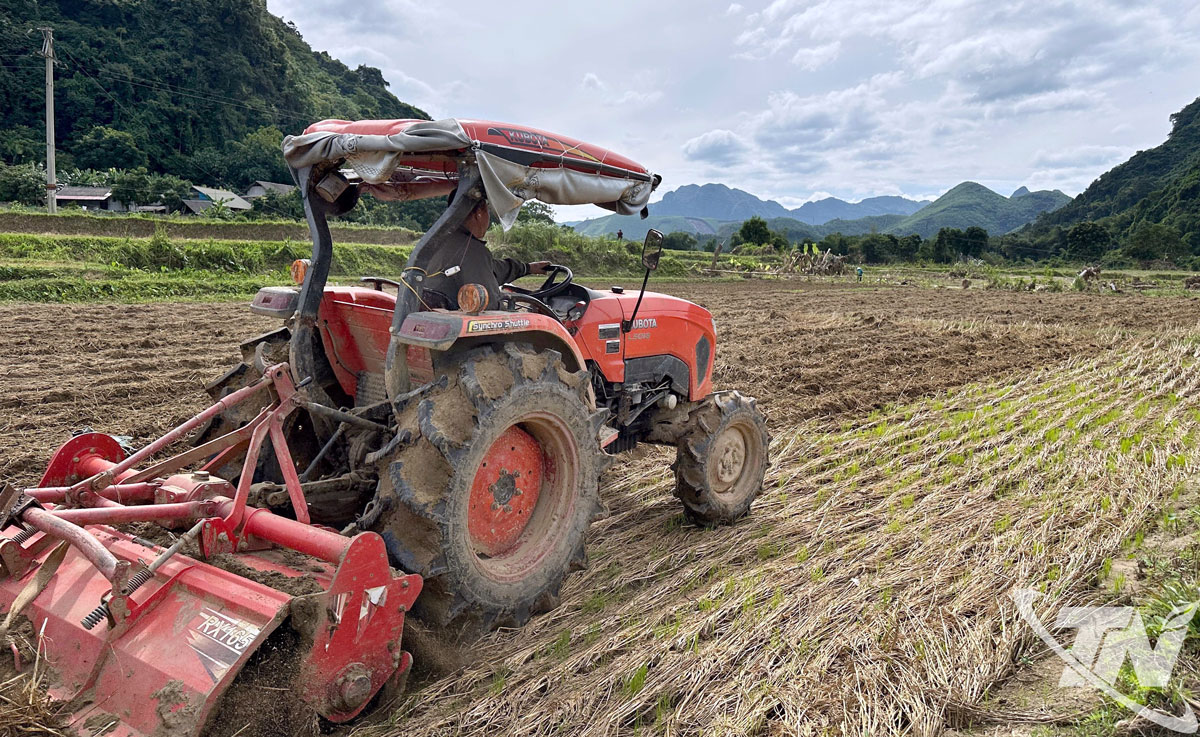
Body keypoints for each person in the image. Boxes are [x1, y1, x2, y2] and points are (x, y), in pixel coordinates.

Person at [420, 196, 550, 310]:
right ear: (479, 213)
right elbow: (491, 304)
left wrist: (527, 268)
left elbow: (492, 269)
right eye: (487, 210)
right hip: (458, 323)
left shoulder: (435, 241)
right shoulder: (473, 250)